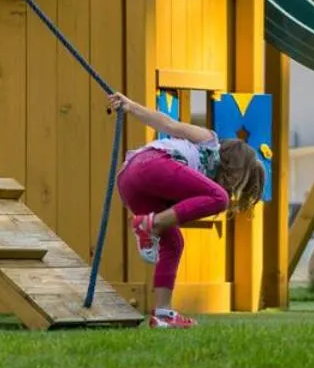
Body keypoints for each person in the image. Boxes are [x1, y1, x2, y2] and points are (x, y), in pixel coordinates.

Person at [105, 91, 267, 329]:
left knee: (173, 242)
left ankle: (163, 314)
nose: (235, 187)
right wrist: (131, 106)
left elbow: (182, 207)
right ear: (236, 166)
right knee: (219, 198)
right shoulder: (209, 141)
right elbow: (168, 123)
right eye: (241, 180)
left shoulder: (199, 180)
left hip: (131, 182)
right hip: (149, 165)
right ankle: (150, 224)